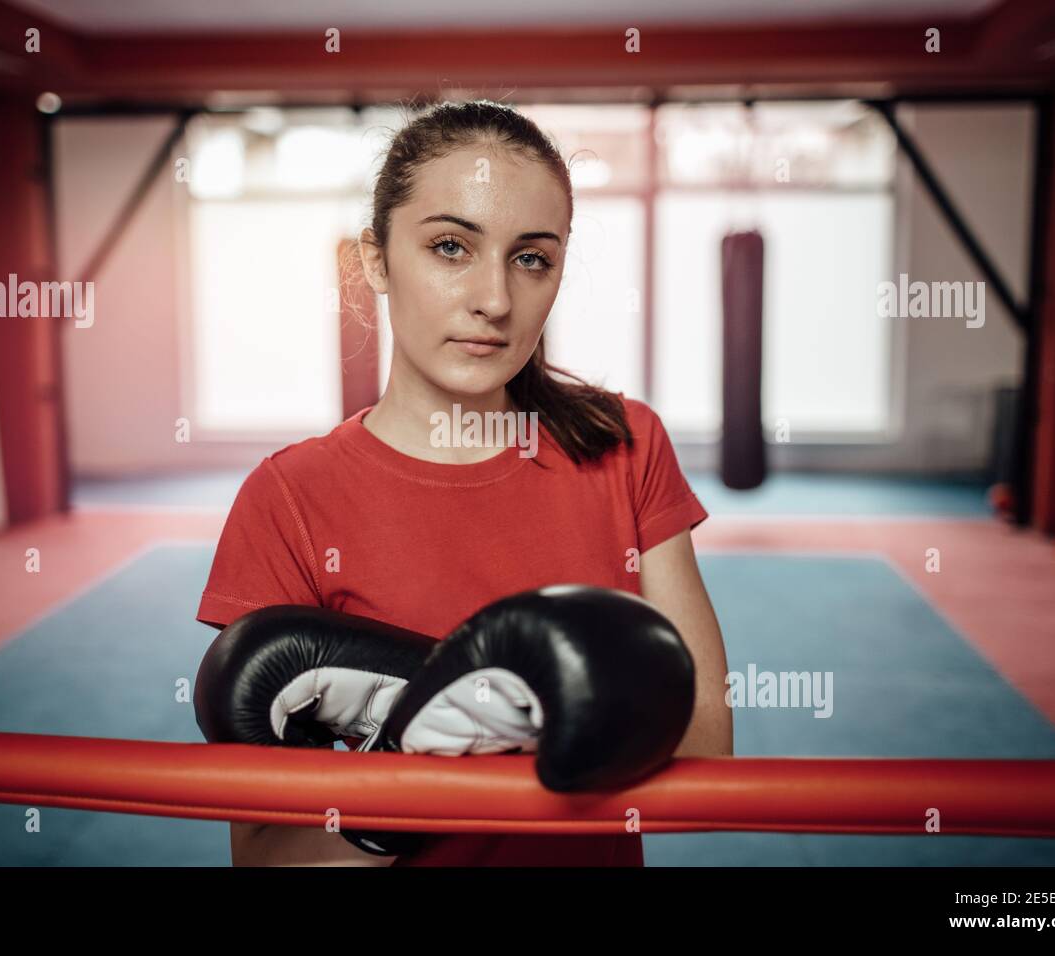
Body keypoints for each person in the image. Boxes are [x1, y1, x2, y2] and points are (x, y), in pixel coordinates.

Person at [195, 99, 732, 866]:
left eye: (531, 258)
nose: (496, 300)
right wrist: (409, 777)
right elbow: (269, 859)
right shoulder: (289, 497)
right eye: (452, 247)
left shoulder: (624, 444)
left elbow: (707, 751)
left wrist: (479, 713)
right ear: (375, 260)